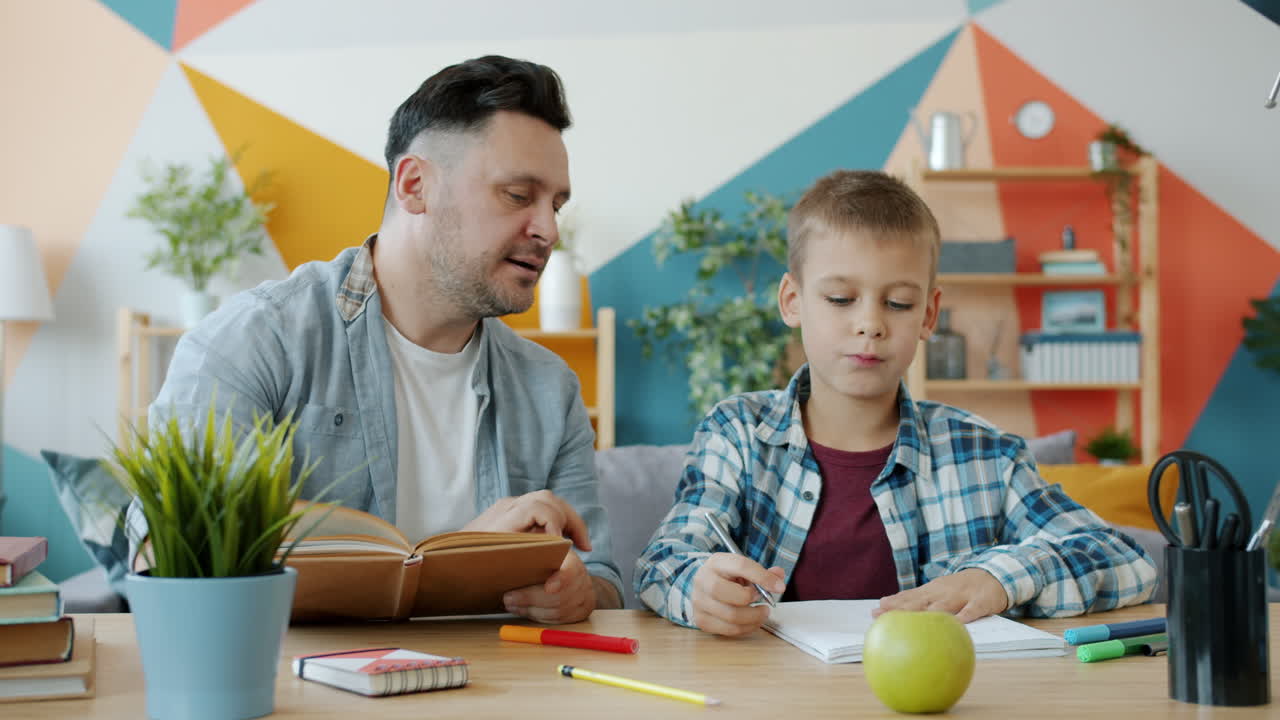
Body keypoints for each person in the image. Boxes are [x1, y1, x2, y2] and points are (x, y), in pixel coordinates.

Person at [148, 55, 621, 622]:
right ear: (415, 185)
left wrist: (578, 594)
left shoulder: (551, 388)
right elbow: (178, 550)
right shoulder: (254, 340)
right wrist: (460, 558)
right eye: (519, 195)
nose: (548, 230)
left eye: (557, 205)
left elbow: (602, 578)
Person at [634, 170, 1156, 636]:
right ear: (792, 302)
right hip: (772, 695)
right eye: (841, 299)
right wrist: (698, 587)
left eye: (898, 303)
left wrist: (997, 579)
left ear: (928, 315)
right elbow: (662, 564)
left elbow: (1125, 560)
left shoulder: (985, 453)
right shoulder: (737, 433)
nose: (871, 324)